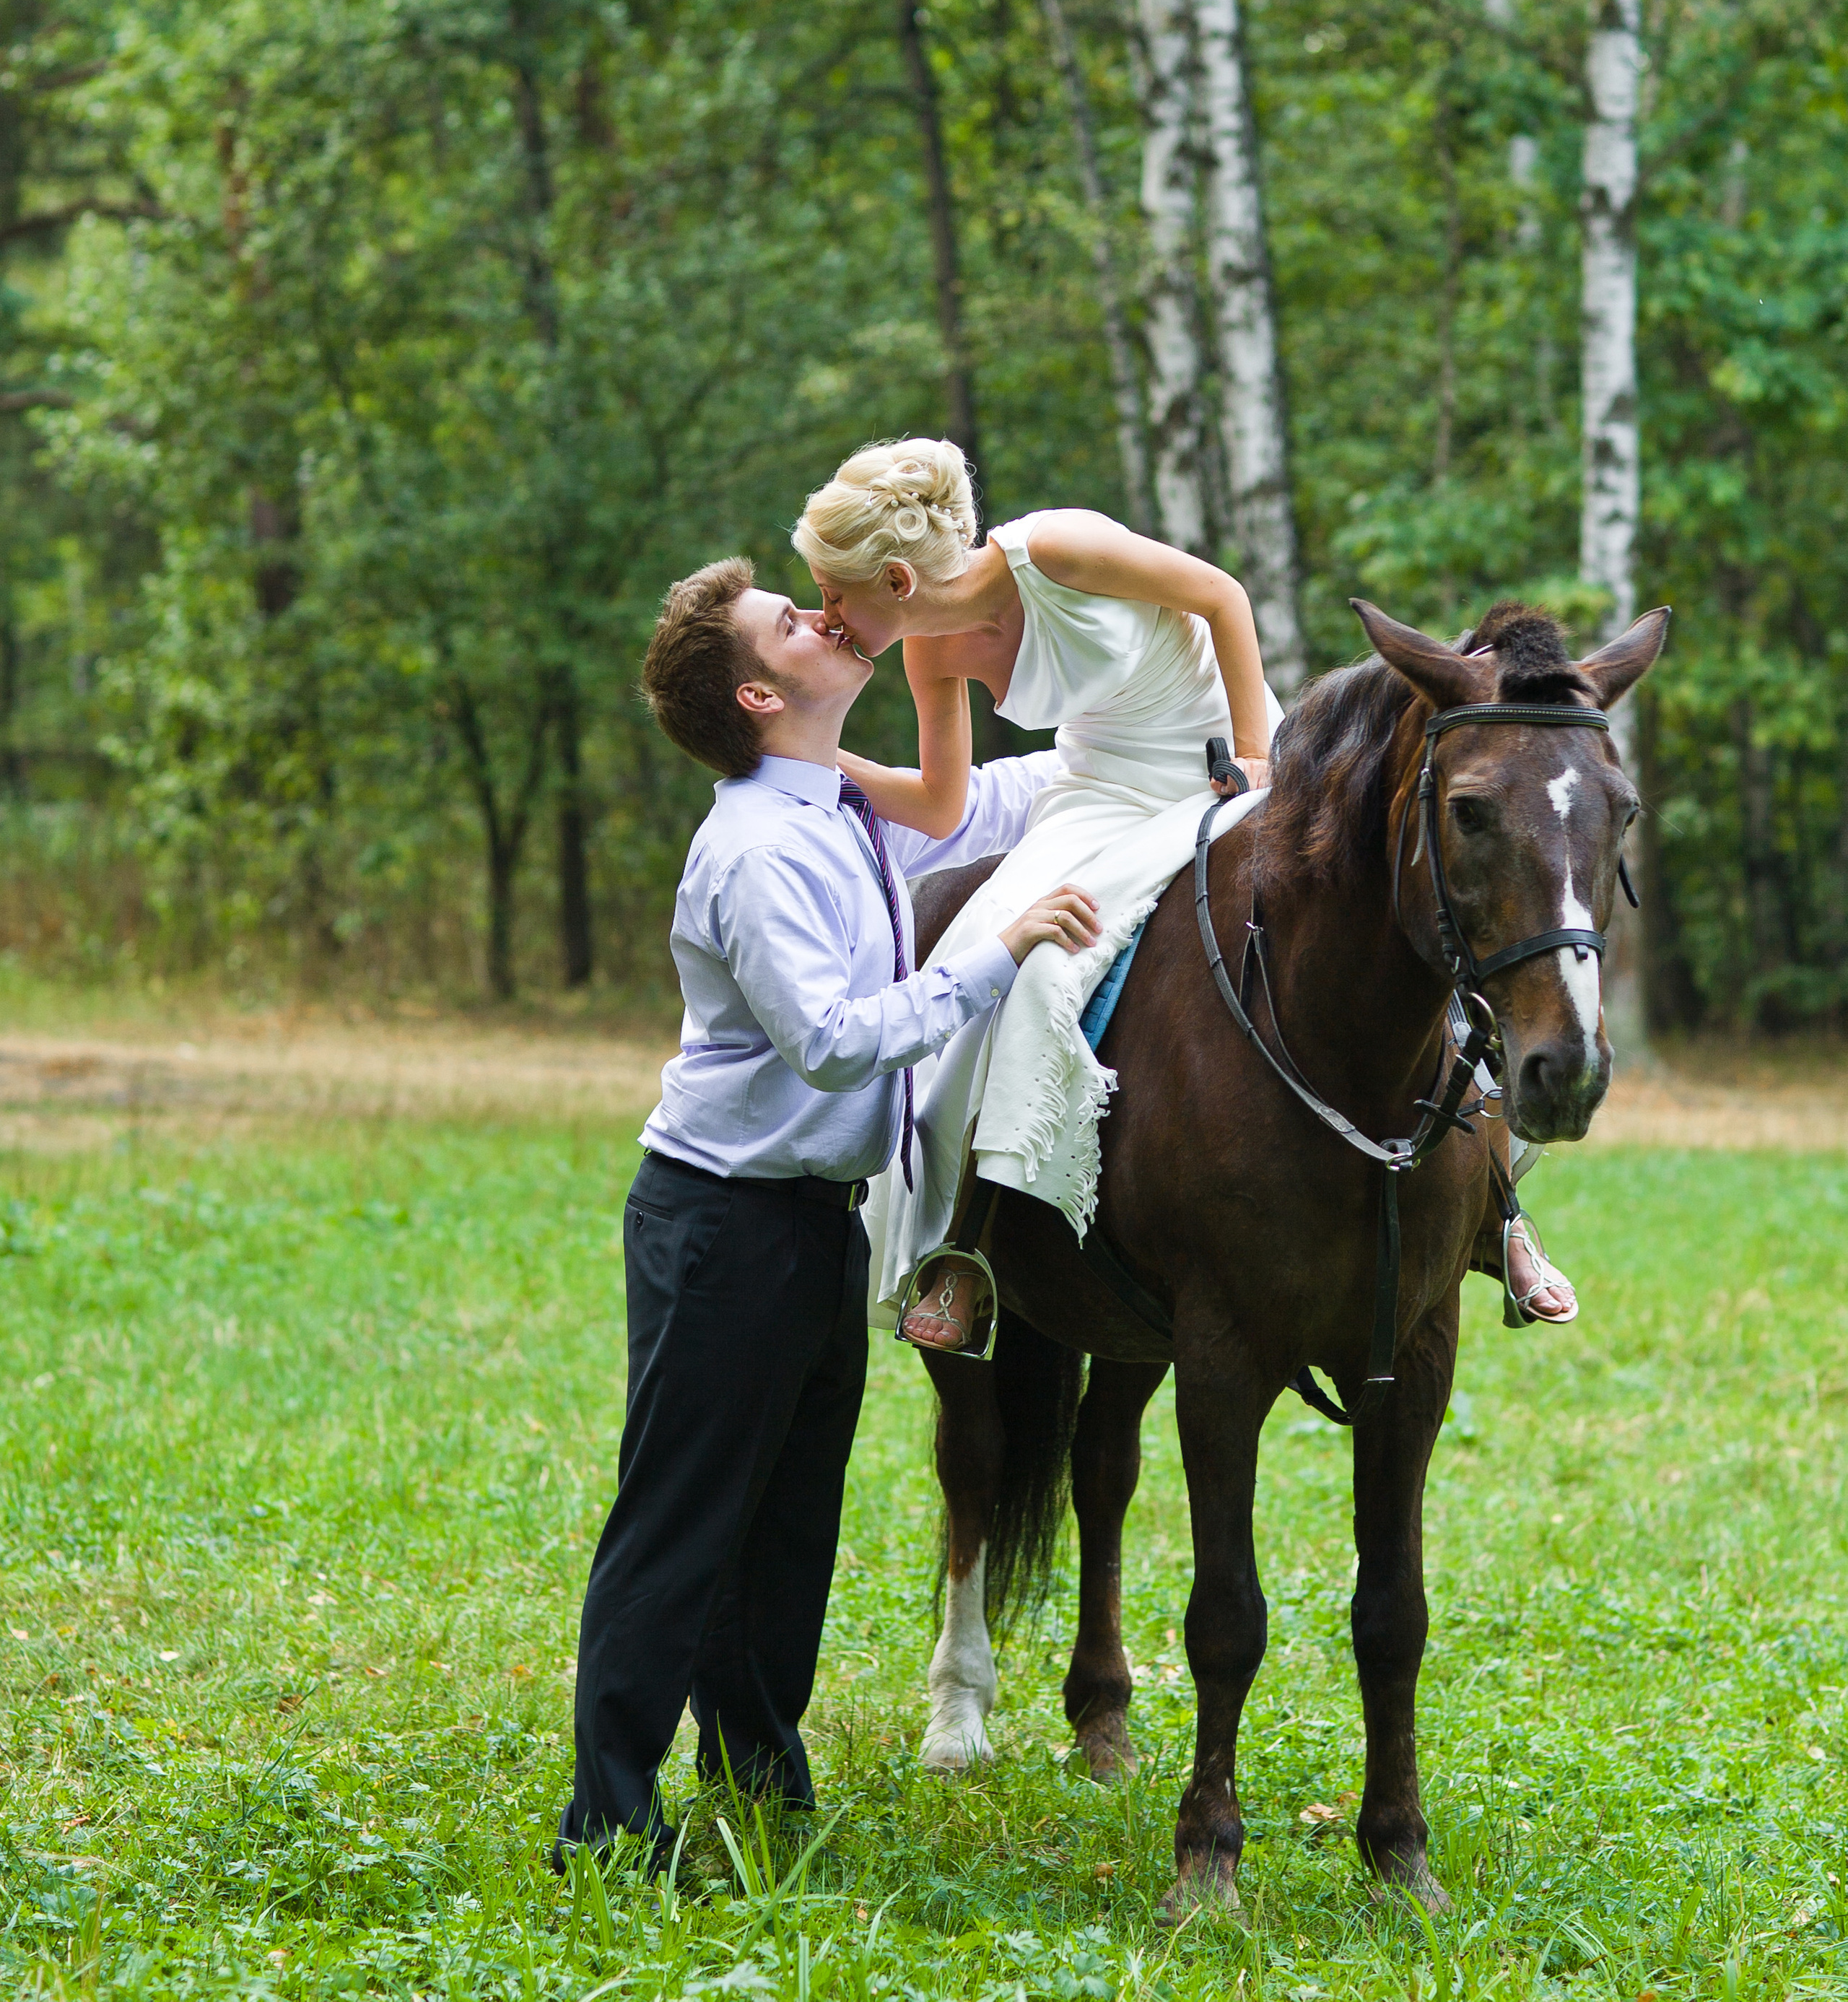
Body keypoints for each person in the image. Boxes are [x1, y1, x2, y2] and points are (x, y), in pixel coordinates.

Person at [793, 436, 1576, 1352]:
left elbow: (1219, 597)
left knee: (1384, 935)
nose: (825, 617)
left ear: (891, 578)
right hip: (1100, 799)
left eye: (832, 594)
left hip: (1223, 765)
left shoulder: (1054, 548)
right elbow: (940, 802)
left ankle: (1495, 1207)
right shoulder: (928, 651)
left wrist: (1253, 753)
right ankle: (967, 1238)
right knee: (1018, 968)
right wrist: (816, 758)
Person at [555, 554, 1099, 1871]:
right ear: (758, 690)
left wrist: (1155, 764)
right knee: (682, 1519)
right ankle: (610, 1824)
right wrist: (996, 950)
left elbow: (986, 808)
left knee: (789, 1519)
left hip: (815, 1224)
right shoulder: (752, 850)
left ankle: (760, 1775)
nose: (819, 616)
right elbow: (835, 1044)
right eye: (786, 621)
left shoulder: (837, 806)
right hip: (719, 1226)